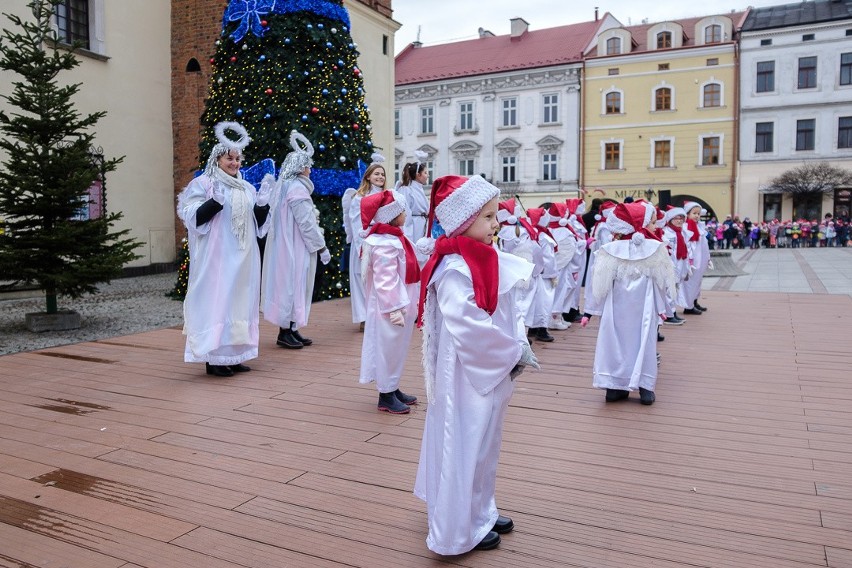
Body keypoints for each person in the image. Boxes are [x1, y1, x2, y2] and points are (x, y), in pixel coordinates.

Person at [414, 175, 539, 555]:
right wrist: (510, 352)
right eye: (488, 217)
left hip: (485, 367)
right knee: (464, 439)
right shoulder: (454, 268)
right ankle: (458, 524)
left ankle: (480, 508)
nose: (496, 224)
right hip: (465, 372)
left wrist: (514, 340)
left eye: (495, 215)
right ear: (464, 220)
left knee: (485, 441)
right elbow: (466, 321)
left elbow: (507, 299)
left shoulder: (480, 257)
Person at [176, 121, 271, 377]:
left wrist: (262, 206)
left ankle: (235, 354)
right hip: (218, 257)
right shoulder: (204, 184)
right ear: (217, 159)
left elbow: (258, 226)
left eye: (238, 159)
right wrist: (213, 203)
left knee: (241, 302)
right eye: (230, 158)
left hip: (244, 257)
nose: (235, 163)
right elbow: (190, 216)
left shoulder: (247, 188)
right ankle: (215, 358)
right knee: (219, 301)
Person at [581, 202, 675, 404]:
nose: (654, 226)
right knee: (643, 341)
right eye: (651, 222)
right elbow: (663, 282)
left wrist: (592, 309)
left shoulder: (612, 250)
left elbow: (598, 284)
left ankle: (618, 385)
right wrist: (663, 307)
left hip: (617, 309)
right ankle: (641, 386)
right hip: (643, 308)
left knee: (616, 343)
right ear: (638, 224)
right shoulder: (655, 248)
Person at [261, 131, 331, 349]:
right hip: (295, 245)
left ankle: (291, 328)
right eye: (308, 166)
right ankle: (285, 331)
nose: (311, 170)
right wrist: (321, 247)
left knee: (292, 285)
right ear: (301, 168)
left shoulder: (287, 187)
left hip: (288, 243)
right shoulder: (297, 188)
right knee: (294, 284)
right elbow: (306, 223)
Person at [357, 190, 420, 414]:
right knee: (387, 347)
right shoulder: (384, 243)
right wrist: (394, 307)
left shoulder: (394, 237)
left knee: (397, 347)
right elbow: (385, 280)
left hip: (400, 305)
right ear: (391, 215)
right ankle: (385, 394)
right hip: (389, 308)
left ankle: (392, 387)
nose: (406, 213)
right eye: (402, 210)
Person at [346, 156, 390, 328]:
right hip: (365, 242)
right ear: (368, 177)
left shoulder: (387, 196)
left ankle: (379, 313)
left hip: (382, 242)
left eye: (382, 174)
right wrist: (362, 244)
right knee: (361, 278)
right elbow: (355, 221)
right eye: (377, 174)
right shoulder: (359, 197)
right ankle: (364, 317)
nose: (380, 177)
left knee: (380, 278)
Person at [396, 151, 430, 262]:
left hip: (421, 225)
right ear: (418, 175)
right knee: (415, 256)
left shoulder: (419, 188)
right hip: (414, 227)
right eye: (425, 173)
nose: (428, 175)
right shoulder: (406, 189)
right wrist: (407, 236)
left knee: (422, 256)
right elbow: (406, 213)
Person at [662, 207, 691, 324]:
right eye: (676, 218)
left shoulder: (681, 232)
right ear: (670, 219)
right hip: (671, 266)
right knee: (669, 290)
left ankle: (672, 311)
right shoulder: (667, 233)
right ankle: (669, 315)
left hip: (679, 265)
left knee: (675, 289)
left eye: (682, 218)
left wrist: (687, 267)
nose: (679, 221)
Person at [681, 202, 710, 314]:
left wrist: (707, 257)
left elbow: (703, 243)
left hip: (701, 258)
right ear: (687, 214)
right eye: (694, 213)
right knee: (691, 282)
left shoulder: (699, 226)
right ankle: (688, 306)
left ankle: (694, 301)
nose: (697, 216)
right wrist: (690, 259)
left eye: (698, 213)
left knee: (697, 282)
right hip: (693, 260)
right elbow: (688, 244)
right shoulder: (687, 227)